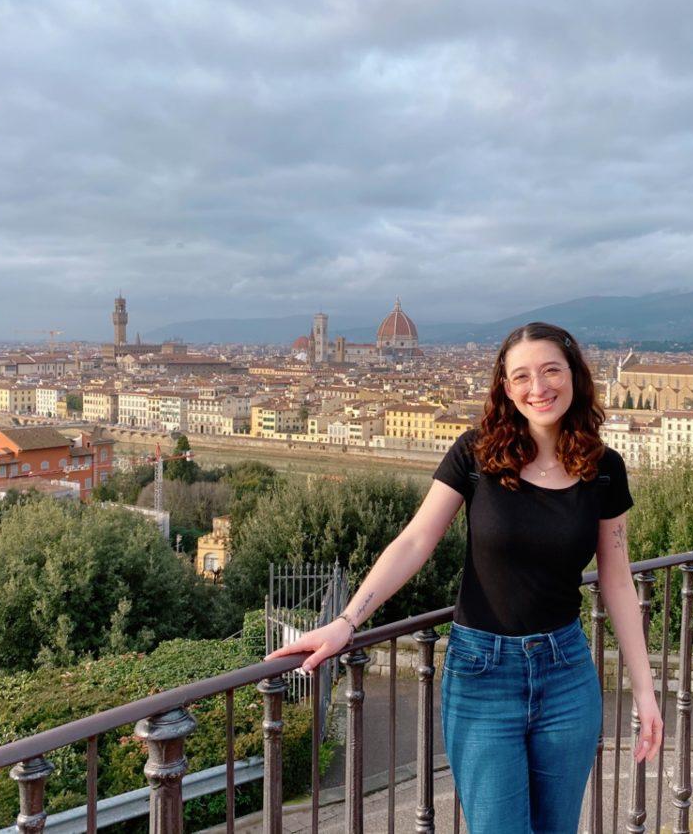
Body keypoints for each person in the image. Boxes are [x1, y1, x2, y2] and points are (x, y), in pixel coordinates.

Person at [265, 321, 662, 833]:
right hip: (482, 675)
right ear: (504, 385)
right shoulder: (477, 453)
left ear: (575, 376)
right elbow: (414, 542)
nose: (537, 388)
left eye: (550, 371)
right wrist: (347, 620)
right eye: (521, 376)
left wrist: (645, 690)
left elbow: (617, 580)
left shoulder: (604, 467)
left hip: (567, 674)